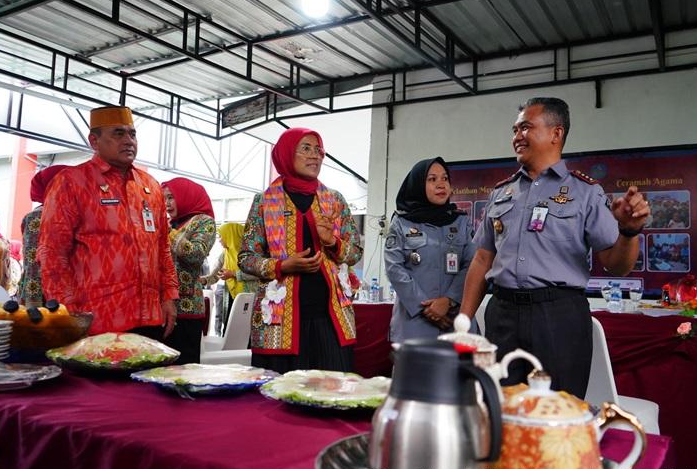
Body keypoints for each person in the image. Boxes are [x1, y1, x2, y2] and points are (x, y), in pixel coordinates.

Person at [459, 97, 650, 398]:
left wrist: (628, 231)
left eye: (525, 127)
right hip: (502, 315)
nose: (516, 137)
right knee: (500, 410)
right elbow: (482, 259)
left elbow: (617, 264)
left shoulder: (585, 192)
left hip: (558, 316)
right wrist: (465, 321)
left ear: (555, 134)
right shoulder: (501, 193)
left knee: (558, 413)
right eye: (514, 130)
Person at [38, 106, 179, 337]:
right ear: (94, 141)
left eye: (132, 134)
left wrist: (169, 296)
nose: (128, 141)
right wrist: (67, 310)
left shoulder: (151, 186)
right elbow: (52, 254)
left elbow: (162, 248)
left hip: (150, 318)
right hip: (96, 319)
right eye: (118, 133)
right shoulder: (71, 182)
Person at [238, 127, 363, 374]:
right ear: (286, 153)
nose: (315, 156)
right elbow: (245, 258)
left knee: (330, 396)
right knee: (278, 399)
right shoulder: (264, 201)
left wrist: (333, 243)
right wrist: (282, 266)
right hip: (278, 321)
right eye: (306, 149)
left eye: (318, 150)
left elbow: (355, 253)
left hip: (331, 320)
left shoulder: (334, 200)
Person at [384, 157, 477, 342]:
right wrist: (426, 308)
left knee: (462, 371)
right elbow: (394, 268)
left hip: (456, 319)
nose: (441, 185)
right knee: (416, 371)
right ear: (418, 184)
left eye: (445, 179)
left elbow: (472, 264)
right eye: (432, 179)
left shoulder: (461, 221)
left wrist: (449, 300)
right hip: (414, 323)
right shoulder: (401, 222)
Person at [161, 177, 216, 364]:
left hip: (188, 310)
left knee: (184, 369)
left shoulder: (204, 222)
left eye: (171, 197)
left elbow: (196, 254)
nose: (167, 203)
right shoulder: (171, 224)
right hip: (162, 307)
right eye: (165, 198)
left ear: (185, 195)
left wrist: (169, 233)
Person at [19, 165, 68, 307]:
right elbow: (33, 261)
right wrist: (33, 303)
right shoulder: (37, 217)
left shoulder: (77, 210)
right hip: (49, 295)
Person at [200, 222, 259, 335]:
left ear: (230, 236)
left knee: (247, 332)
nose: (220, 240)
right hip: (232, 297)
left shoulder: (249, 254)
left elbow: (258, 273)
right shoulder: (225, 254)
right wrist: (202, 280)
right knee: (229, 329)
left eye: (222, 236)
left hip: (249, 298)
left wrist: (234, 274)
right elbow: (214, 276)